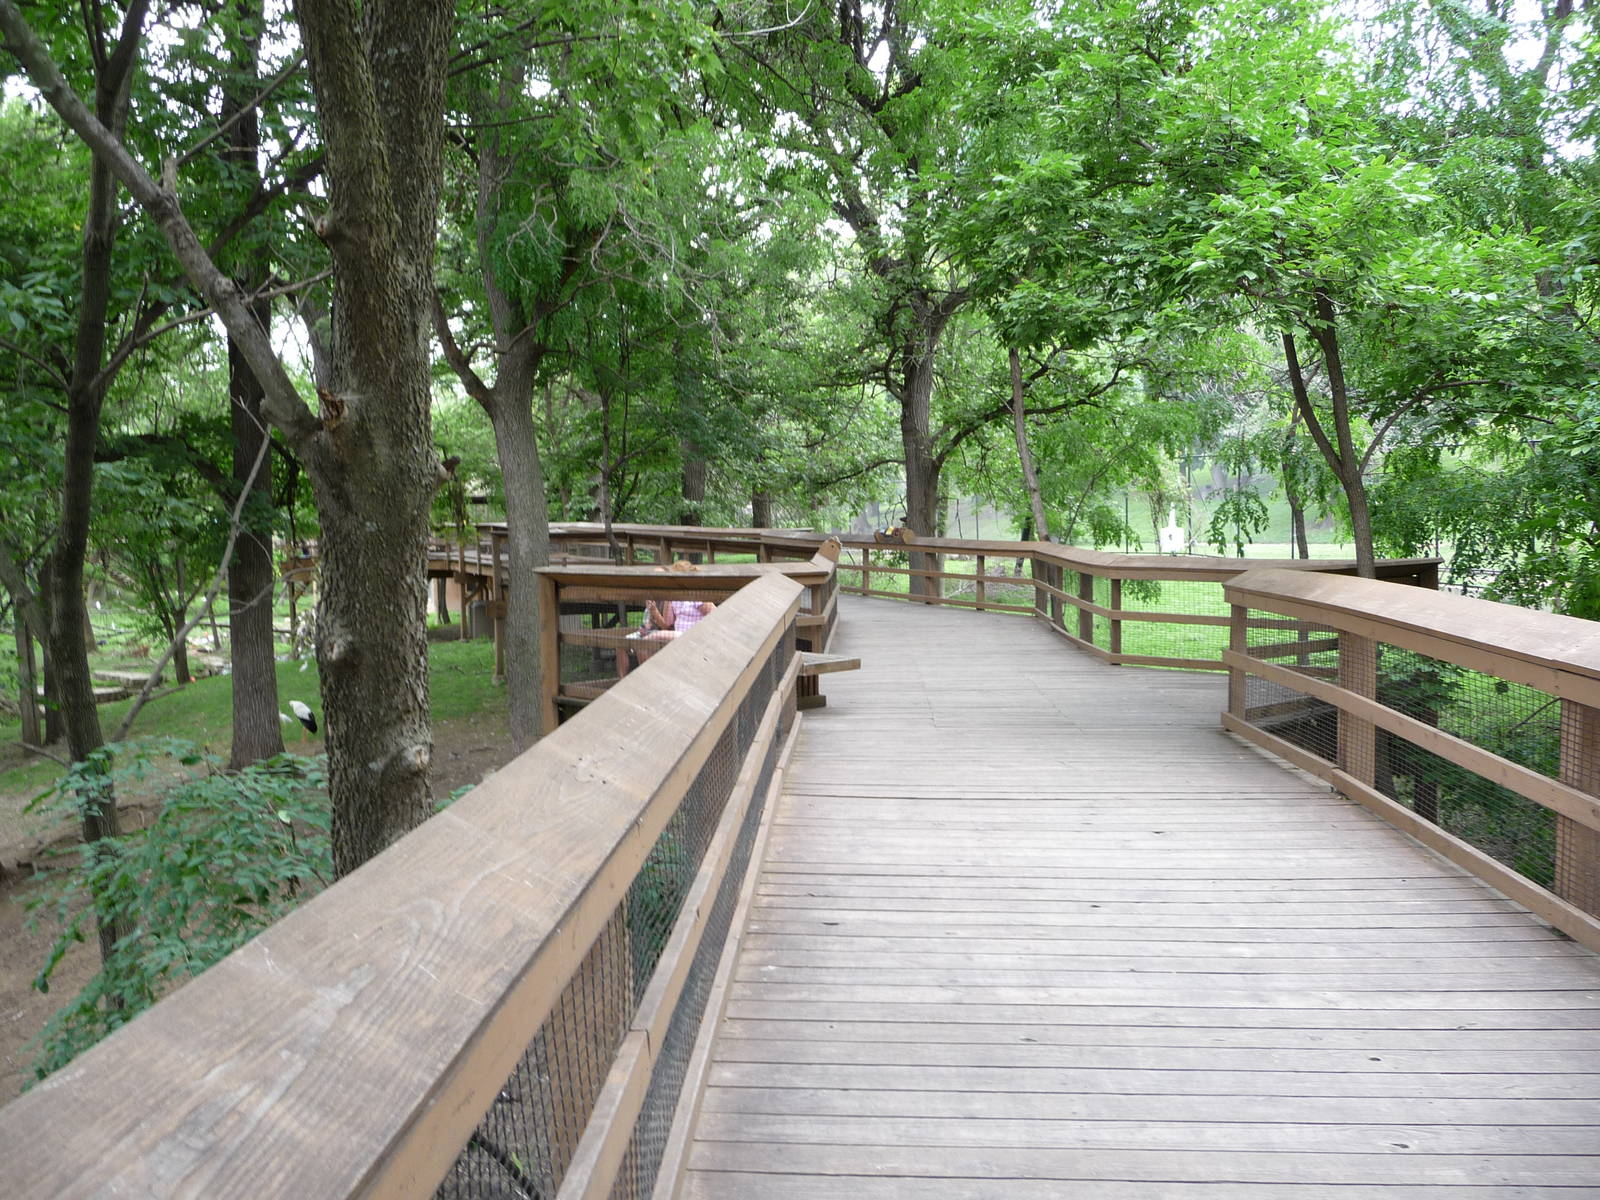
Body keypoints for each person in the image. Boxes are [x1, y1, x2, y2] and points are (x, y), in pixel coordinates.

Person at [617, 597, 716, 677]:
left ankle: (650, 679)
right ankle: (641, 679)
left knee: (650, 638)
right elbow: (667, 623)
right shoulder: (673, 598)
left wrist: (703, 634)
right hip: (677, 633)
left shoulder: (696, 596)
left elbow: (716, 615)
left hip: (691, 633)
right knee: (642, 644)